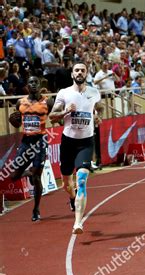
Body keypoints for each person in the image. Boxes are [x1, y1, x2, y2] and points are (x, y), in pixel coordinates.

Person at [49, 61, 102, 234]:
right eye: (76, 70)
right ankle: (72, 198)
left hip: (86, 142)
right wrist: (65, 111)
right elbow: (52, 117)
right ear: (72, 74)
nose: (79, 73)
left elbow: (98, 108)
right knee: (66, 183)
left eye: (82, 70)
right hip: (68, 142)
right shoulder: (64, 93)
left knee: (81, 180)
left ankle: (78, 223)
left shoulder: (94, 92)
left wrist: (97, 116)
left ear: (86, 73)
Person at [8, 76, 53, 221]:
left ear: (40, 85)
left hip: (40, 141)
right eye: (31, 82)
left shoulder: (48, 102)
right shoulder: (20, 102)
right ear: (27, 86)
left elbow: (54, 115)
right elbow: (17, 123)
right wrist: (13, 121)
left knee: (37, 177)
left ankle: (36, 209)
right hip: (26, 142)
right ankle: (28, 173)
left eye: (36, 82)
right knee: (14, 176)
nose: (33, 84)